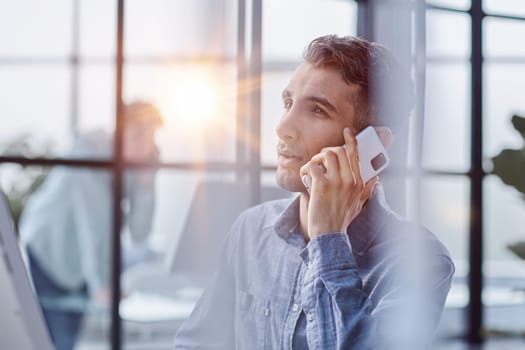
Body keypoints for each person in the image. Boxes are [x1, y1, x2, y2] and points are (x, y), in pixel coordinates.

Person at [173, 35, 455, 349]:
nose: (282, 127)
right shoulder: (251, 230)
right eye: (288, 103)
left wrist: (329, 242)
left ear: (370, 146)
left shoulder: (420, 262)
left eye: (317, 110)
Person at [19, 101, 163, 350]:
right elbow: (95, 221)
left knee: (68, 337)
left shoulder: (136, 163)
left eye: (150, 137)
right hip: (48, 250)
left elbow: (140, 233)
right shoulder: (90, 152)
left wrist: (146, 182)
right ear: (120, 130)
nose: (145, 145)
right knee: (55, 338)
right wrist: (104, 283)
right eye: (138, 134)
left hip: (80, 261)